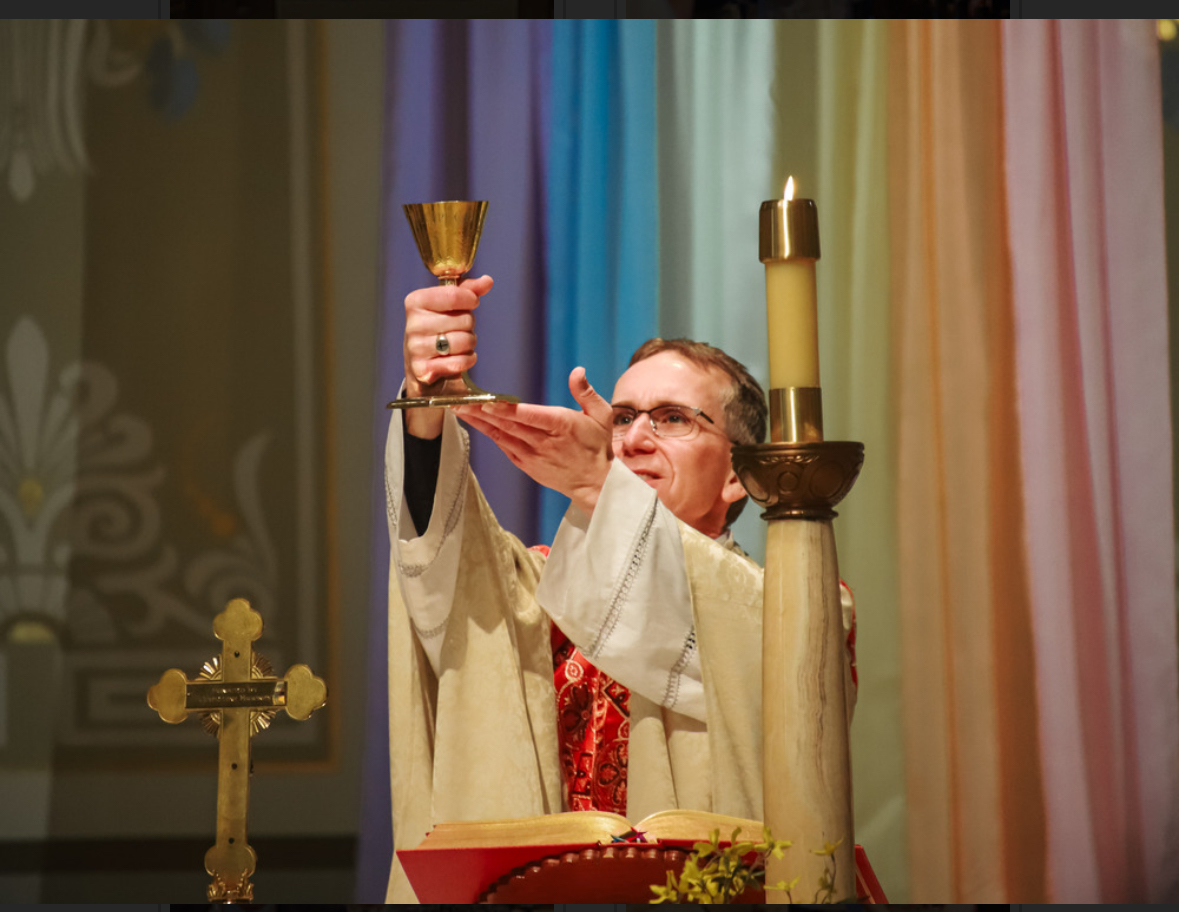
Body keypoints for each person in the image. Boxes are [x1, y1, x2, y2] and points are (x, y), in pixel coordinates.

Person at [383, 274, 854, 902]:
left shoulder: (801, 607)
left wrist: (601, 484)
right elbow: (444, 567)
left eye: (673, 419)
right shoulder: (539, 591)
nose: (632, 441)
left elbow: (774, 688)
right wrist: (426, 406)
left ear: (739, 476)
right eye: (624, 418)